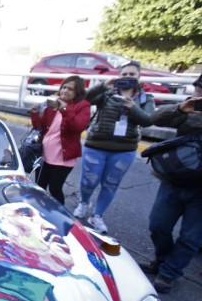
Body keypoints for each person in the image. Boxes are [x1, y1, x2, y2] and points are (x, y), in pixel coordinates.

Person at [73, 61, 154, 233]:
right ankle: (84, 202)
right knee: (89, 181)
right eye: (124, 74)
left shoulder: (145, 98)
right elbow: (83, 99)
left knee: (110, 184)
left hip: (125, 150)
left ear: (139, 77)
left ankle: (97, 215)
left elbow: (148, 120)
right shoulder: (107, 93)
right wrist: (103, 86)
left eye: (132, 74)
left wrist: (133, 108)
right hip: (96, 145)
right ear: (119, 76)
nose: (128, 77)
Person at [139, 73, 202, 294]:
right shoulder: (189, 110)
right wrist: (180, 109)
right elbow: (153, 118)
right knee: (158, 225)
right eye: (199, 89)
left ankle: (169, 272)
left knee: (191, 237)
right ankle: (163, 259)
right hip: (175, 179)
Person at [28, 75, 90, 205]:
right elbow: (40, 127)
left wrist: (65, 109)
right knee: (40, 186)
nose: (65, 91)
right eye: (64, 87)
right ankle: (40, 211)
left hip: (63, 158)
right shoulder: (53, 103)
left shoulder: (82, 106)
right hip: (45, 154)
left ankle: (59, 217)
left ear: (77, 92)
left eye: (70, 89)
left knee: (55, 188)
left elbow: (78, 126)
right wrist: (34, 114)